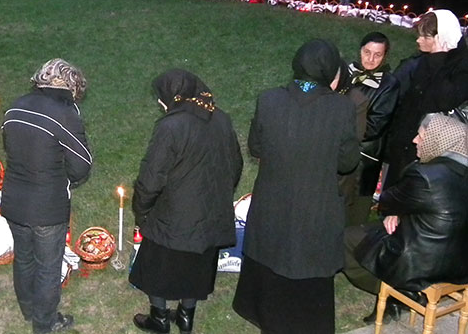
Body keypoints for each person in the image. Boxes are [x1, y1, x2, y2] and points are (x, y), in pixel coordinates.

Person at [233, 39, 360, 334]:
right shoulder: (341, 108)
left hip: (274, 199)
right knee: (307, 260)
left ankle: (267, 316)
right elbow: (347, 162)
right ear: (330, 70)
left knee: (273, 253)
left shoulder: (269, 99)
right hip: (315, 203)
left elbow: (256, 146)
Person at [130, 69, 243, 334]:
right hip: (209, 213)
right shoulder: (222, 119)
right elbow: (235, 164)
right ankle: (185, 316)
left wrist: (142, 210)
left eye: (161, 98)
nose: (160, 104)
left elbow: (152, 175)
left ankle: (159, 318)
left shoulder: (171, 126)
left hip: (173, 214)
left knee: (156, 265)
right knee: (195, 266)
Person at [344, 114, 468, 322]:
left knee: (346, 239)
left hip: (423, 263)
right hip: (461, 263)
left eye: (421, 136)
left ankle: (400, 293)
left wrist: (397, 210)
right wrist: (400, 212)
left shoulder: (425, 175)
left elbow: (386, 199)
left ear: (438, 140)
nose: (415, 141)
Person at [1, 58, 92, 334]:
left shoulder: (15, 106)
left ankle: (28, 308)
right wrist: (62, 178)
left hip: (14, 199)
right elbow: (81, 164)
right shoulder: (64, 113)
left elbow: (11, 148)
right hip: (47, 206)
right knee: (48, 267)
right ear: (70, 86)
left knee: (24, 258)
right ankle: (45, 322)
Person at [384, 9, 468, 190]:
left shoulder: (461, 66)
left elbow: (446, 100)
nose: (418, 40)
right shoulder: (423, 60)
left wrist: (439, 57)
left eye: (425, 37)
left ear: (441, 37)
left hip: (432, 147)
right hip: (407, 141)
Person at [346, 32, 399, 225]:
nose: (370, 59)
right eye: (367, 52)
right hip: (341, 152)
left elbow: (376, 125)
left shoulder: (389, 84)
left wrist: (340, 132)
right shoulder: (347, 73)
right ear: (360, 50)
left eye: (377, 54)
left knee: (355, 214)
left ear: (385, 56)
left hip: (365, 158)